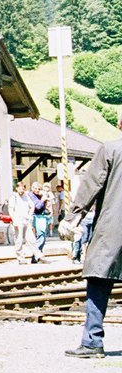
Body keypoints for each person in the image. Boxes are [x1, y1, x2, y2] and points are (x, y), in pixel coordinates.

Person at [59, 122, 122, 358]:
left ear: (120, 125)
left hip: (113, 227)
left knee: (98, 279)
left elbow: (91, 184)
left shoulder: (110, 149)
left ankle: (92, 341)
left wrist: (73, 216)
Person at [8, 180, 37, 265]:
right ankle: (20, 257)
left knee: (31, 238)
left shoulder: (26, 196)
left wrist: (30, 215)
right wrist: (14, 221)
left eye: (23, 189)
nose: (21, 190)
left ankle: (37, 254)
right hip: (18, 220)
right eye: (20, 188)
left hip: (26, 220)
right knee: (19, 239)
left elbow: (32, 206)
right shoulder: (14, 197)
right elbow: (11, 209)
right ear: (16, 188)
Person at [27, 180, 51, 258]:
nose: (37, 190)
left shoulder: (39, 195)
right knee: (41, 235)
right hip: (36, 216)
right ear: (32, 188)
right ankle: (36, 254)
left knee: (42, 236)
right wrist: (42, 200)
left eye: (39, 189)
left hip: (42, 216)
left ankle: (37, 255)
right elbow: (37, 206)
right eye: (36, 188)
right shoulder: (31, 195)